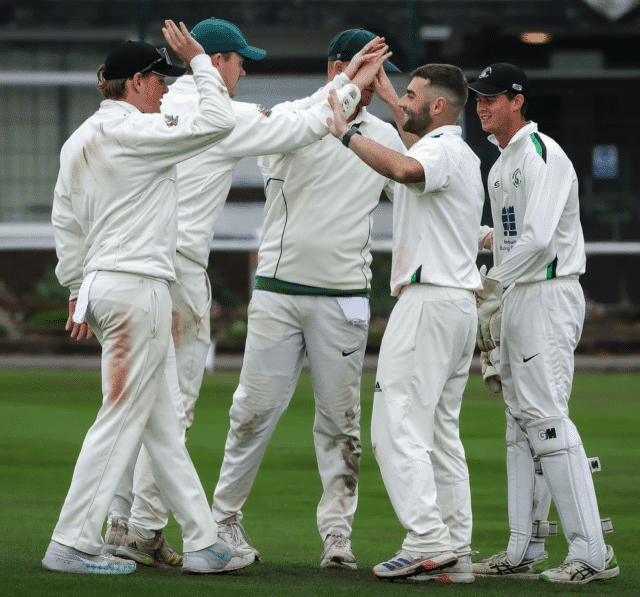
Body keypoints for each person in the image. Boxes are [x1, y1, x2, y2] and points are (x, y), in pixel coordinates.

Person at [102, 19, 388, 566]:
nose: (243, 72)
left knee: (130, 403)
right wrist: (349, 80)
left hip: (123, 269)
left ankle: (120, 524)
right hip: (176, 272)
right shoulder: (221, 116)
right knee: (172, 408)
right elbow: (300, 128)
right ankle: (142, 529)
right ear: (218, 61)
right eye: (239, 62)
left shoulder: (147, 110)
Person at [42, 21, 255, 575]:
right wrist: (201, 62)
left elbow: (65, 225)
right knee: (120, 418)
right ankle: (71, 542)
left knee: (160, 422)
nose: (165, 90)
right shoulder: (135, 133)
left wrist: (75, 291)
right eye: (159, 80)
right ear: (134, 82)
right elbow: (215, 122)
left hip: (109, 287)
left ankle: (206, 544)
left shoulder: (81, 139)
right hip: (139, 291)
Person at [209, 28, 404, 570]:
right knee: (251, 413)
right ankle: (223, 519)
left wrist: (386, 97)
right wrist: (342, 89)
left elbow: (424, 181)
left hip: (343, 299)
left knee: (341, 423)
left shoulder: (382, 134)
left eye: (376, 73)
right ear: (336, 68)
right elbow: (286, 138)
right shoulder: (295, 116)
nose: (367, 85)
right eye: (359, 71)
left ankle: (337, 536)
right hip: (277, 292)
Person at [327, 63, 484, 583]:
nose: (404, 103)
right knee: (439, 433)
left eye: (413, 95)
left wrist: (346, 133)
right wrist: (393, 94)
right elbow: (409, 136)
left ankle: (427, 540)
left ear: (438, 106)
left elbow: (403, 169)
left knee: (394, 426)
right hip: (456, 304)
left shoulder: (438, 151)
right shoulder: (451, 148)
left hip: (429, 302)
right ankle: (454, 548)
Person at [469, 62, 619, 583]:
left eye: (491, 98)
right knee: (520, 422)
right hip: (520, 294)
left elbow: (536, 241)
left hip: (545, 295)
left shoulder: (541, 154)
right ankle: (523, 549)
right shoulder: (499, 164)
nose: (482, 106)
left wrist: (490, 288)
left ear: (517, 100)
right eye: (478, 98)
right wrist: (476, 239)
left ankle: (592, 553)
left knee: (547, 419)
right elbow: (512, 236)